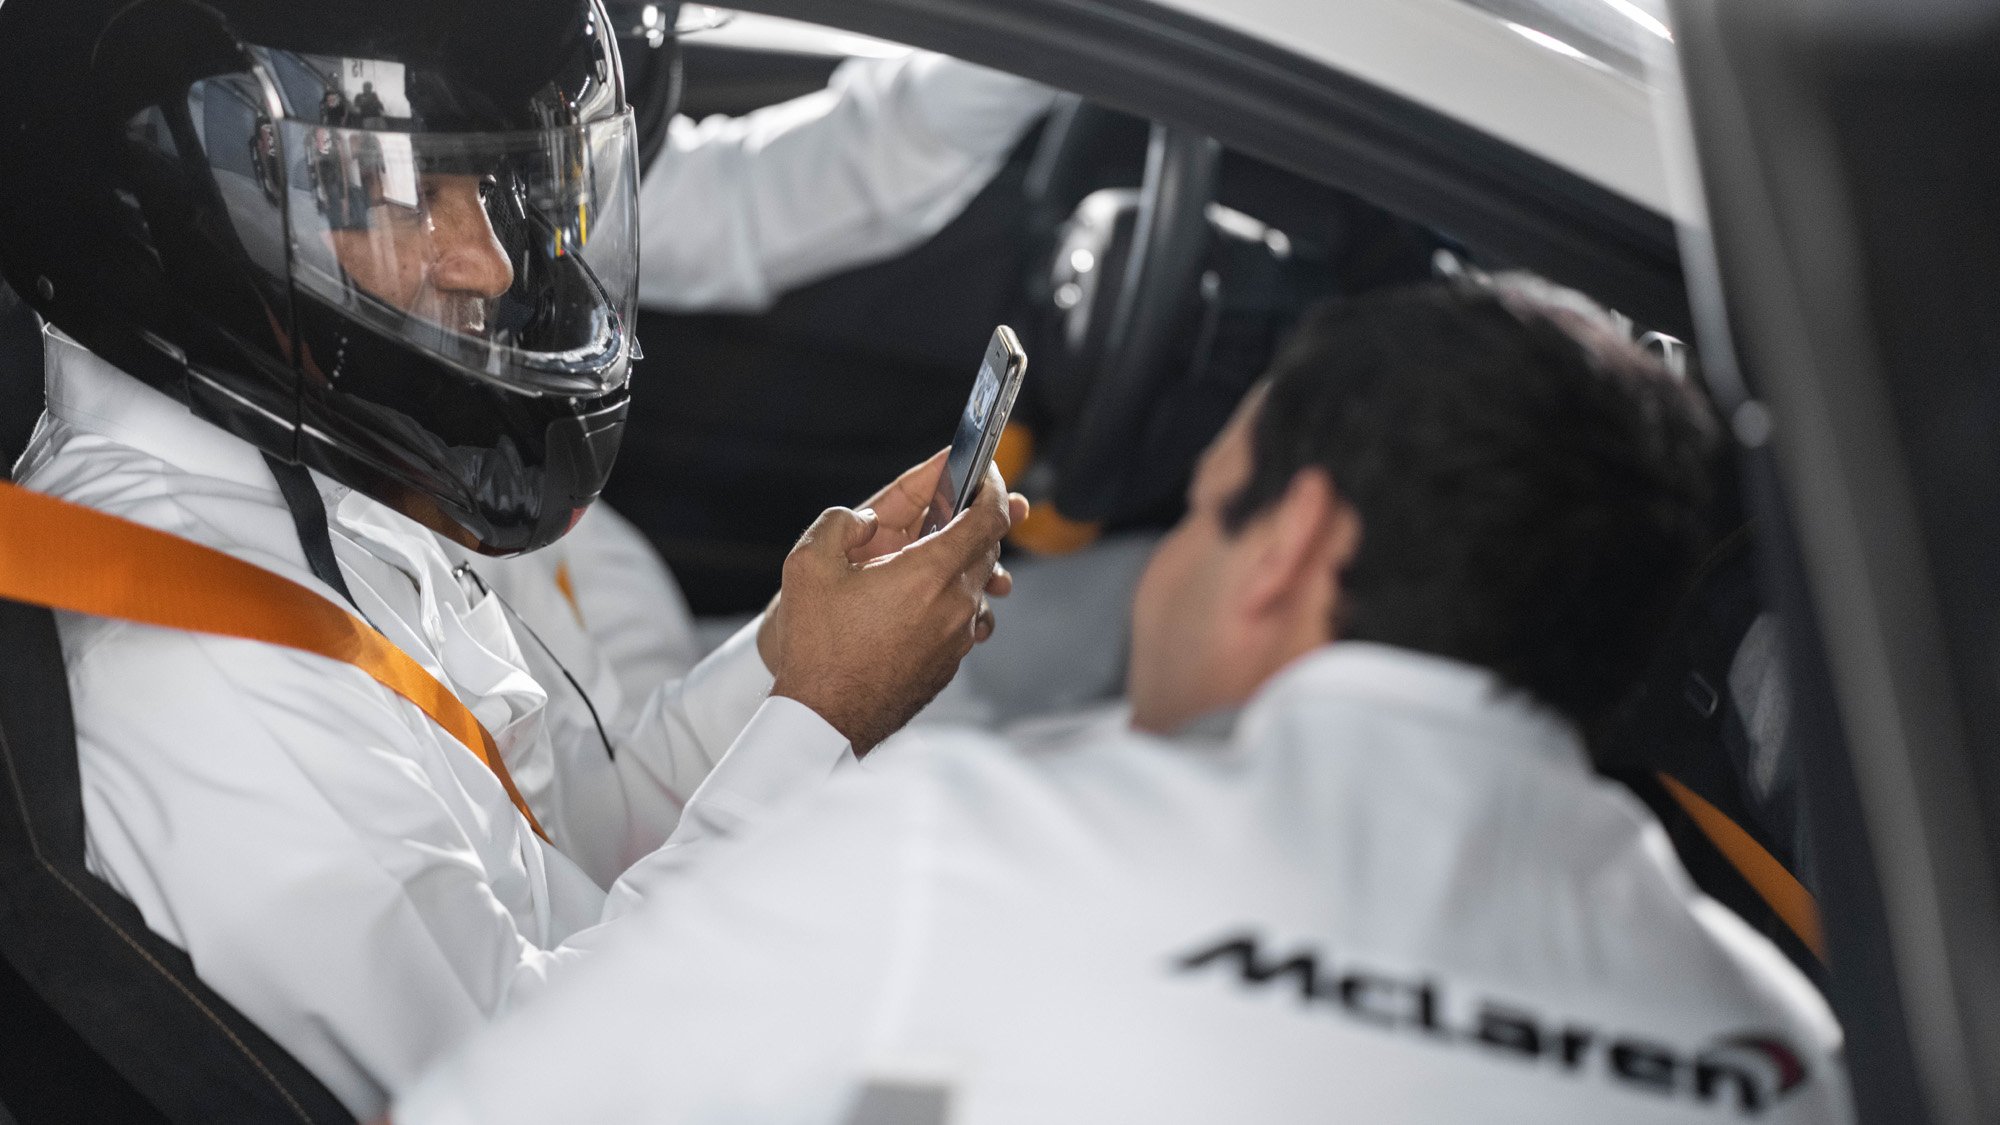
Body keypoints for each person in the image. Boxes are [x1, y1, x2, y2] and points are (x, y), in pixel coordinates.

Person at [391, 281, 1853, 1125]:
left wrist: (814, 719)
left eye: (1205, 515)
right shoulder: (1788, 1048)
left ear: (1286, 548)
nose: (1163, 579)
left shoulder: (956, 856)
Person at [0, 0, 1022, 1117]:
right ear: (193, 209)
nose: (488, 264)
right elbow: (544, 1094)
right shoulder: (204, 667)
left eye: (491, 194)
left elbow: (572, 842)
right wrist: (826, 713)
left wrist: (794, 657)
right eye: (391, 193)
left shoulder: (309, 494)